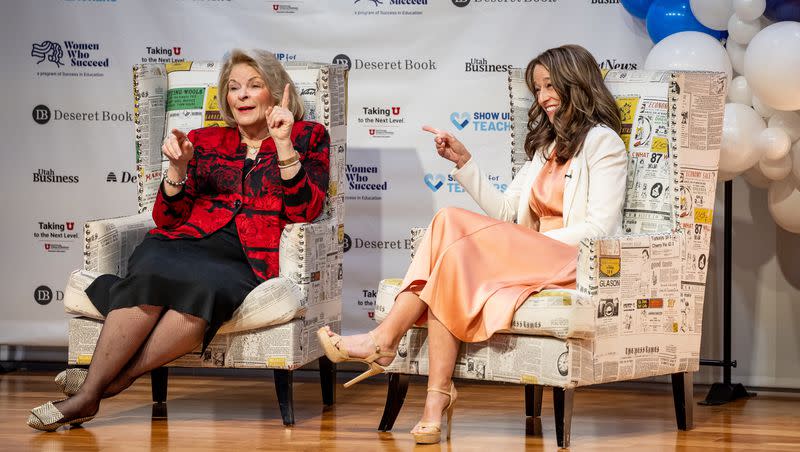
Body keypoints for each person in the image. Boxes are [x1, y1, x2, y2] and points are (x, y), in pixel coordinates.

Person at [318, 44, 626, 444]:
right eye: (537, 89)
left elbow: (599, 228)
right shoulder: (547, 149)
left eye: (551, 85)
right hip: (529, 254)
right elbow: (506, 213)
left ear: (577, 83)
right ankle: (435, 400)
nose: (543, 96)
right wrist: (465, 163)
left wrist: (528, 242)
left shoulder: (603, 143)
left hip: (569, 258)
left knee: (449, 223)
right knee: (452, 264)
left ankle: (382, 340)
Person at [27, 49, 330, 431]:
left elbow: (306, 212)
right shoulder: (204, 140)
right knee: (151, 271)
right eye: (234, 88)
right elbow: (165, 217)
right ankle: (97, 391)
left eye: (254, 86)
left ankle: (97, 387)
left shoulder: (309, 136)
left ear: (276, 92)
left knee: (204, 288)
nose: (242, 95)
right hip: (181, 242)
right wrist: (177, 169)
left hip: (243, 255)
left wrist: (284, 144)